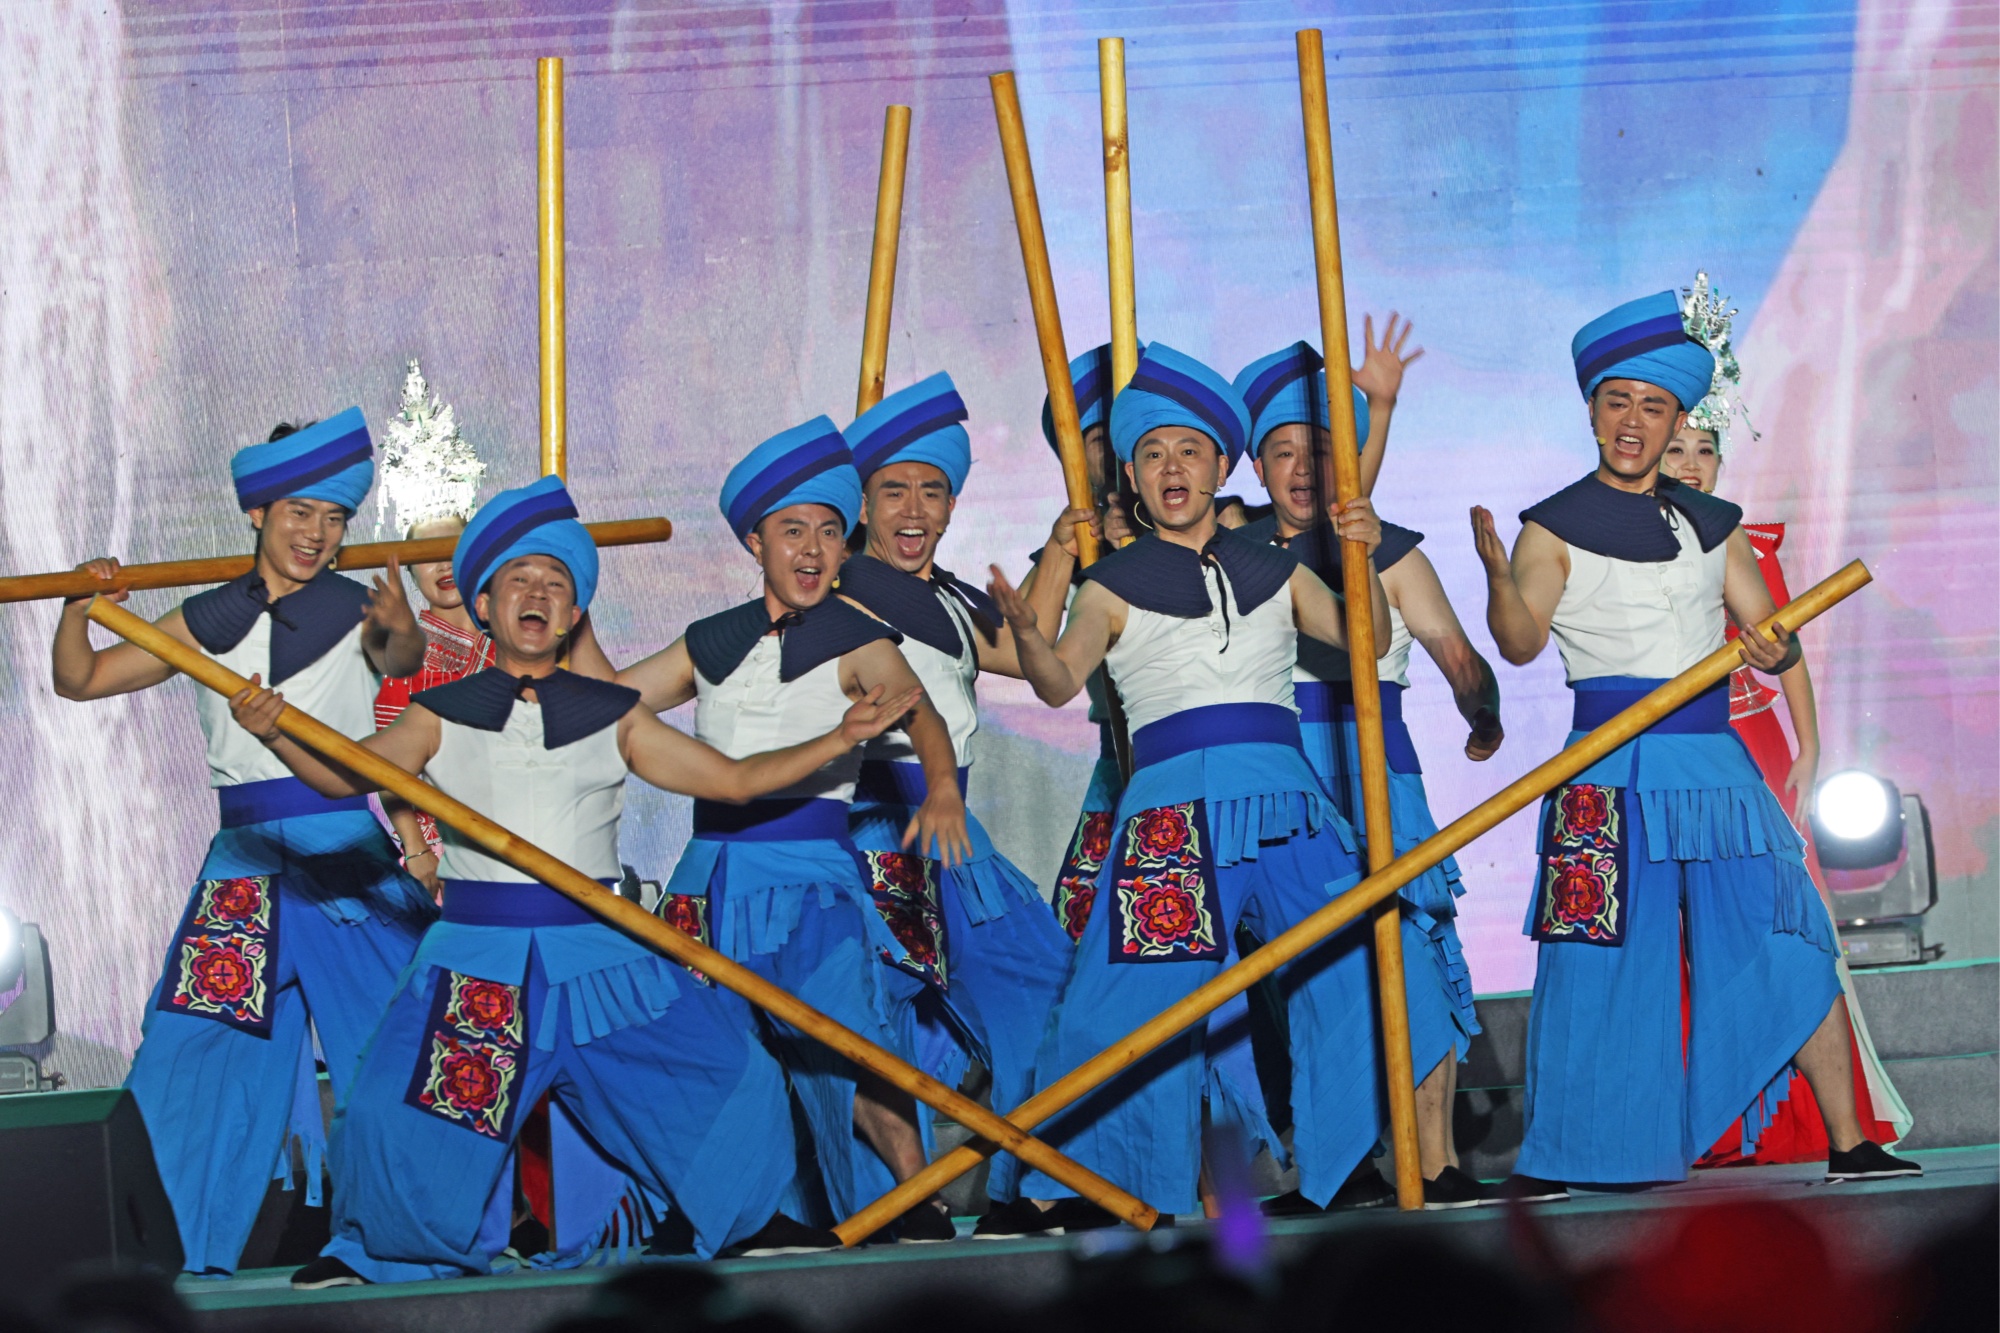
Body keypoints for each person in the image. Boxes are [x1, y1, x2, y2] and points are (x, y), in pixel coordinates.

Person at [229, 476, 921, 1282]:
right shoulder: (439, 711)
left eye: (556, 583)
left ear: (574, 612)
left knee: (733, 1076)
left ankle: (747, 1219)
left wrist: (838, 737)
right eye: (519, 579)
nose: (538, 594)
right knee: (395, 1108)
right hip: (479, 958)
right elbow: (342, 776)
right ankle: (387, 1251)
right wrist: (277, 735)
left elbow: (734, 781)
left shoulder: (615, 713)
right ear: (484, 604)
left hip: (602, 958)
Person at [980, 343, 1462, 1231]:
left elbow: (1361, 641)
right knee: (1129, 994)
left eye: (1191, 451)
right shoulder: (1109, 584)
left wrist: (1358, 554)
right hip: (1172, 812)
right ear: (1132, 475)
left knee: (1365, 963)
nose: (1173, 467)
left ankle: (1346, 1163)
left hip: (1288, 805)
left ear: (1218, 468)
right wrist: (1031, 634)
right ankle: (1087, 1183)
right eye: (1153, 453)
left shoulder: (1276, 566)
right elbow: (1055, 681)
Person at [1470, 290, 1922, 1196]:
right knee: (1590, 955)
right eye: (1618, 402)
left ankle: (1849, 1139)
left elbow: (1771, 633)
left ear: (1676, 419)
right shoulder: (1550, 527)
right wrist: (1495, 578)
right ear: (1592, 411)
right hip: (1601, 769)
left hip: (1714, 768)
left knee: (1789, 936)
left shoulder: (1714, 526)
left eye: (1653, 406)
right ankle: (1564, 1155)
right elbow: (1519, 643)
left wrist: (1772, 648)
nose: (1633, 422)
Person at [50, 411, 438, 1276]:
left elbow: (400, 653)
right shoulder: (200, 619)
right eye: (300, 512)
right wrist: (79, 607)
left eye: (334, 518)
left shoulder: (362, 610)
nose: (317, 533)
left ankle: (411, 1244)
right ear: (257, 513)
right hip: (245, 865)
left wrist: (399, 624)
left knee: (406, 1044)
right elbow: (80, 678)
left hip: (346, 855)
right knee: (186, 1058)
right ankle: (158, 1267)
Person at [608, 419, 970, 1241]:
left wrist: (944, 786)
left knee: (852, 1039)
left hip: (810, 878)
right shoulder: (712, 639)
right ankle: (730, 1209)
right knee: (714, 1046)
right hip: (708, 874)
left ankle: (915, 1196)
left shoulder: (861, 640)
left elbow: (924, 718)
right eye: (793, 530)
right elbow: (610, 703)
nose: (812, 549)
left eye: (829, 531)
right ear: (755, 542)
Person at [1235, 338, 1503, 1210]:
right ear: (1257, 466)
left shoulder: (1393, 556)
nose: (1300, 470)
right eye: (1281, 452)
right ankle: (1336, 1166)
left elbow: (1461, 660)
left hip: (1377, 767)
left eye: (1319, 453)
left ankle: (1435, 1161)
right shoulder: (1235, 560)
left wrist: (1483, 714)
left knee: (1416, 952)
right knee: (1303, 975)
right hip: (1281, 781)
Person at [1660, 275, 1910, 1163]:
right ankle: (1710, 1119)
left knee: (1785, 925)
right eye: (1678, 449)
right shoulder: (1618, 534)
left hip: (1749, 746)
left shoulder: (1738, 535)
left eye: (1706, 449)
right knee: (1683, 932)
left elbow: (1783, 644)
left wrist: (1810, 747)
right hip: (1664, 748)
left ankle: (1818, 1125)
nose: (1692, 465)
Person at [836, 372, 1077, 1211]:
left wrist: (1063, 545)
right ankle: (891, 1205)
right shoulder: (837, 591)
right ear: (862, 504)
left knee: (1048, 988)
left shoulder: (947, 597)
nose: (913, 509)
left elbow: (1031, 653)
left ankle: (1033, 1190)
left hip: (957, 834)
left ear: (949, 506)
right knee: (871, 1022)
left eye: (931, 491)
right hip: (873, 830)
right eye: (893, 490)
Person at [371, 360, 494, 898]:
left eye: (454, 549)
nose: (442, 565)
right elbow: (389, 766)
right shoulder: (405, 655)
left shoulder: (516, 640)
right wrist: (419, 852)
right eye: (427, 554)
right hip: (441, 857)